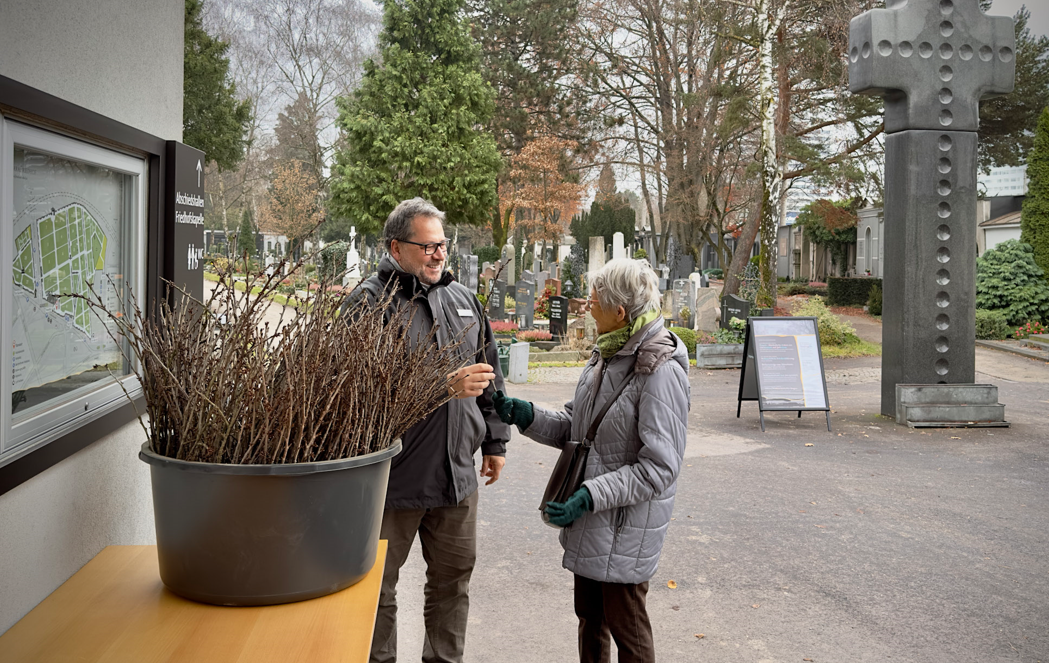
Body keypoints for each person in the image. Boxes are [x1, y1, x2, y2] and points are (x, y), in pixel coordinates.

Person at [493, 258, 690, 663]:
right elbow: (579, 429)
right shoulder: (609, 352)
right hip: (594, 522)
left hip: (623, 527)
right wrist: (527, 415)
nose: (586, 305)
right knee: (591, 620)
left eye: (593, 299)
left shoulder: (659, 370)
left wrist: (588, 495)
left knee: (628, 632)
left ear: (619, 311)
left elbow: (660, 468)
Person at [347, 198, 510, 663]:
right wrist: (441, 387)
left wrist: (495, 440)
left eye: (442, 245)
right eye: (428, 246)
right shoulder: (368, 304)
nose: (439, 254)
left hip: (457, 478)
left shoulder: (463, 300)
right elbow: (353, 390)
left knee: (452, 584)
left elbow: (490, 373)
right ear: (396, 248)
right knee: (376, 588)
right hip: (393, 481)